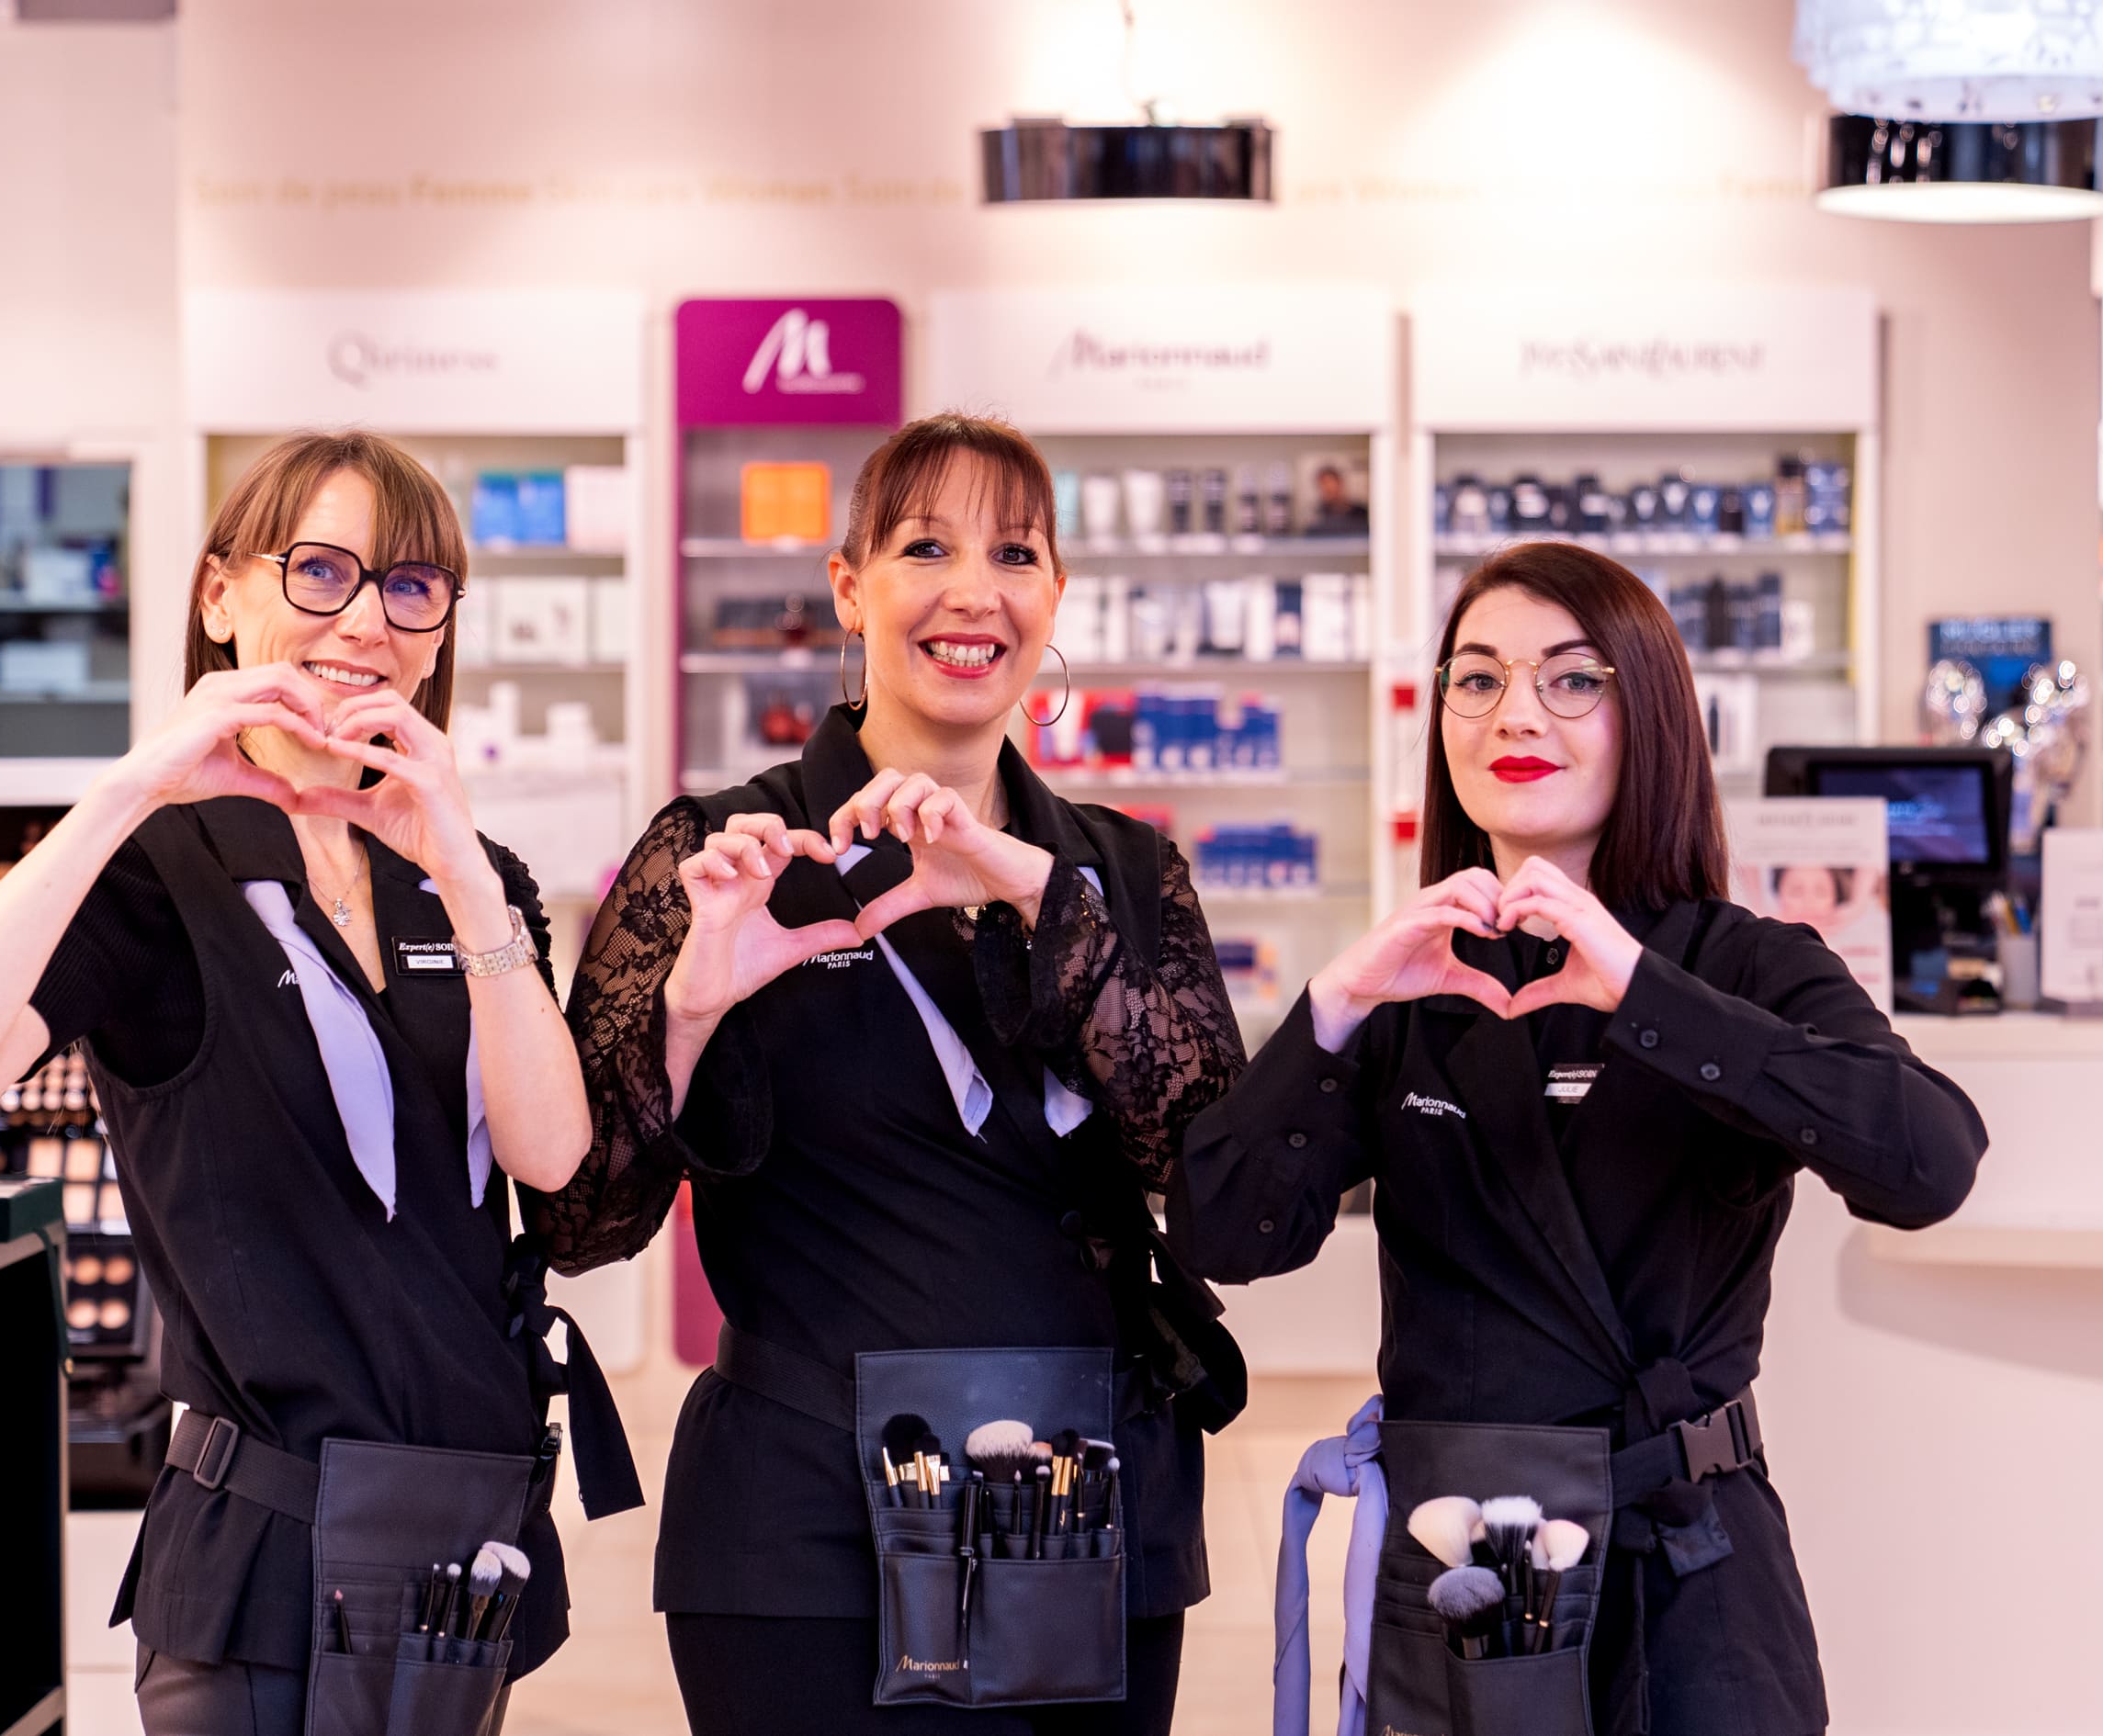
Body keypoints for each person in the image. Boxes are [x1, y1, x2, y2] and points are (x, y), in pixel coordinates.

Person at [0, 431, 634, 1734]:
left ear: (441, 629)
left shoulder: (464, 872)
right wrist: (126, 790)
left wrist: (465, 875)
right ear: (221, 594)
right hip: (264, 1570)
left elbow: (551, 1155)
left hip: (460, 1550)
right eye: (320, 570)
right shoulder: (157, 869)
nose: (365, 621)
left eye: (409, 586)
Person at [1167, 541, 1986, 1736]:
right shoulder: (1413, 985)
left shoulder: (1745, 965)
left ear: (1647, 711)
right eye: (1479, 678)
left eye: (1571, 679)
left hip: (1688, 1579)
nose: (1517, 714)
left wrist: (1648, 994)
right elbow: (1223, 1236)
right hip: (1466, 1571)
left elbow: (1929, 1163)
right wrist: (1333, 1005)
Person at [536, 413, 1246, 1734]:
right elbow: (579, 1220)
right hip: (810, 1532)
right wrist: (691, 1009)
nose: (974, 590)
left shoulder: (1125, 872)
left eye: (1015, 553)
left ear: (1056, 596)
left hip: (1091, 1510)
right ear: (850, 588)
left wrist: (1043, 900)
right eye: (926, 548)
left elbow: (1224, 1188)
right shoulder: (721, 857)